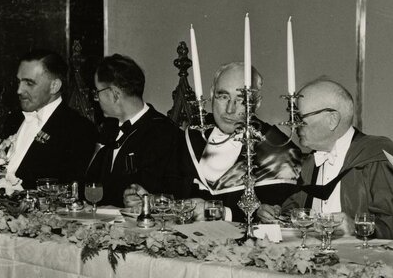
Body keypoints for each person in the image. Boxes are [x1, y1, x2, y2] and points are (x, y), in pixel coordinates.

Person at [124, 62, 302, 221]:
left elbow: (280, 217)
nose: (230, 109)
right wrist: (150, 199)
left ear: (257, 103)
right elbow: (175, 193)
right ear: (211, 95)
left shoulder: (280, 153)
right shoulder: (193, 136)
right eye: (223, 96)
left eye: (241, 100)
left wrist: (217, 212)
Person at [257, 78, 393, 239]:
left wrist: (356, 228)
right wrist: (276, 216)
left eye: (299, 117)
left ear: (332, 120)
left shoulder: (376, 155)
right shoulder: (311, 161)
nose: (294, 125)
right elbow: (297, 210)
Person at [85, 54, 182, 207]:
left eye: (97, 92)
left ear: (115, 95)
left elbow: (165, 192)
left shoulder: (163, 133)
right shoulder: (107, 129)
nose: (96, 99)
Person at [5, 49, 97, 190]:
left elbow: (71, 189)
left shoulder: (78, 129)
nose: (19, 90)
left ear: (54, 86)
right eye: (19, 82)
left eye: (29, 83)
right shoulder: (11, 120)